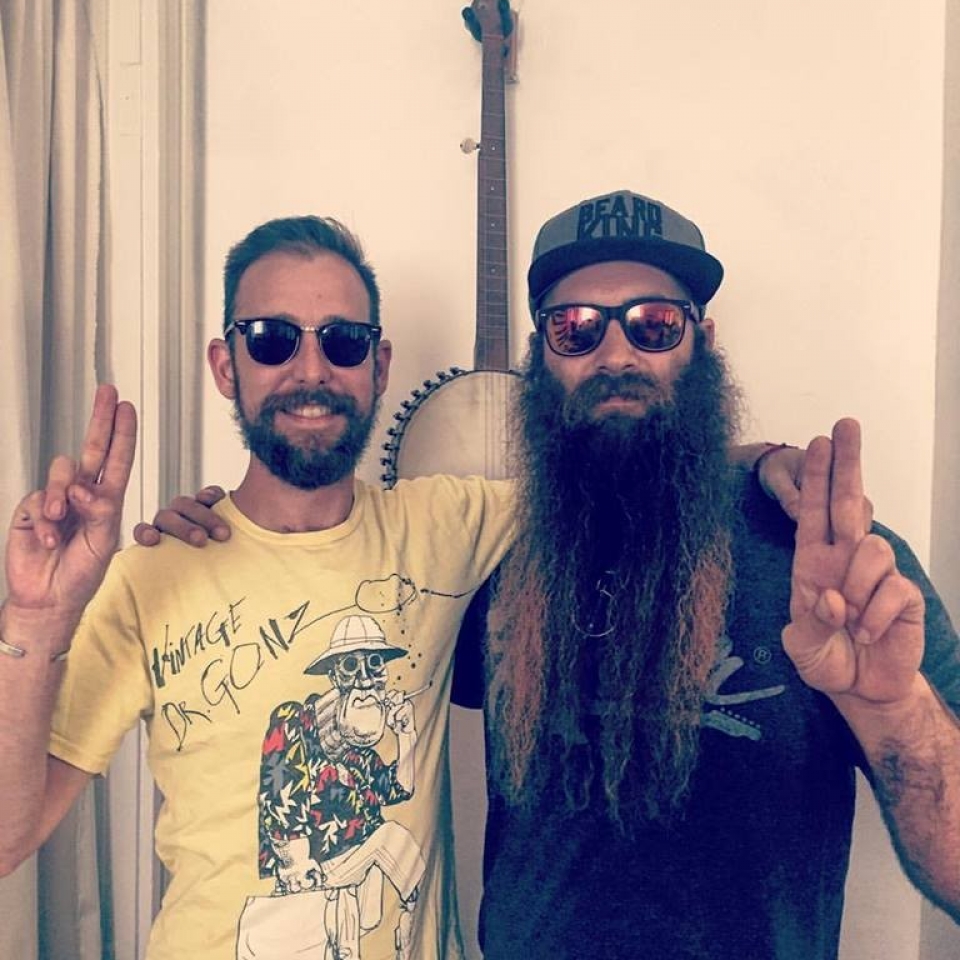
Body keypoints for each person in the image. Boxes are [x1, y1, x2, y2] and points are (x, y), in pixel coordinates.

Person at [148, 190, 959, 959]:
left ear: (702, 343)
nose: (617, 354)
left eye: (654, 324)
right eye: (576, 328)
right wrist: (234, 535)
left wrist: (893, 709)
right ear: (541, 355)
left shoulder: (828, 561)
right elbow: (320, 588)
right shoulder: (490, 553)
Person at [0, 209, 805, 960]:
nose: (310, 370)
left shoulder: (445, 526)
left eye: (343, 342)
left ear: (379, 365)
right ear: (224, 364)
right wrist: (36, 617)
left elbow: (614, 449)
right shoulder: (150, 575)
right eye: (272, 340)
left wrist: (765, 464)